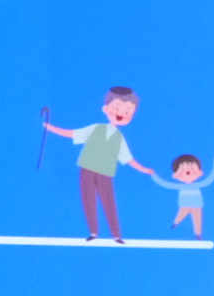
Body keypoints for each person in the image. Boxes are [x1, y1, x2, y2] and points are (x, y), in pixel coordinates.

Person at [38, 86, 141, 242]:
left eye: (128, 112)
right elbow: (71, 134)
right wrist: (49, 127)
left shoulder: (119, 138)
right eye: (116, 108)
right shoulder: (95, 129)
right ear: (105, 109)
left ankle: (116, 235)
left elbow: (128, 159)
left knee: (109, 202)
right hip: (87, 169)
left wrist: (144, 169)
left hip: (105, 173)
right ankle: (93, 232)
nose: (121, 114)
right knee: (89, 200)